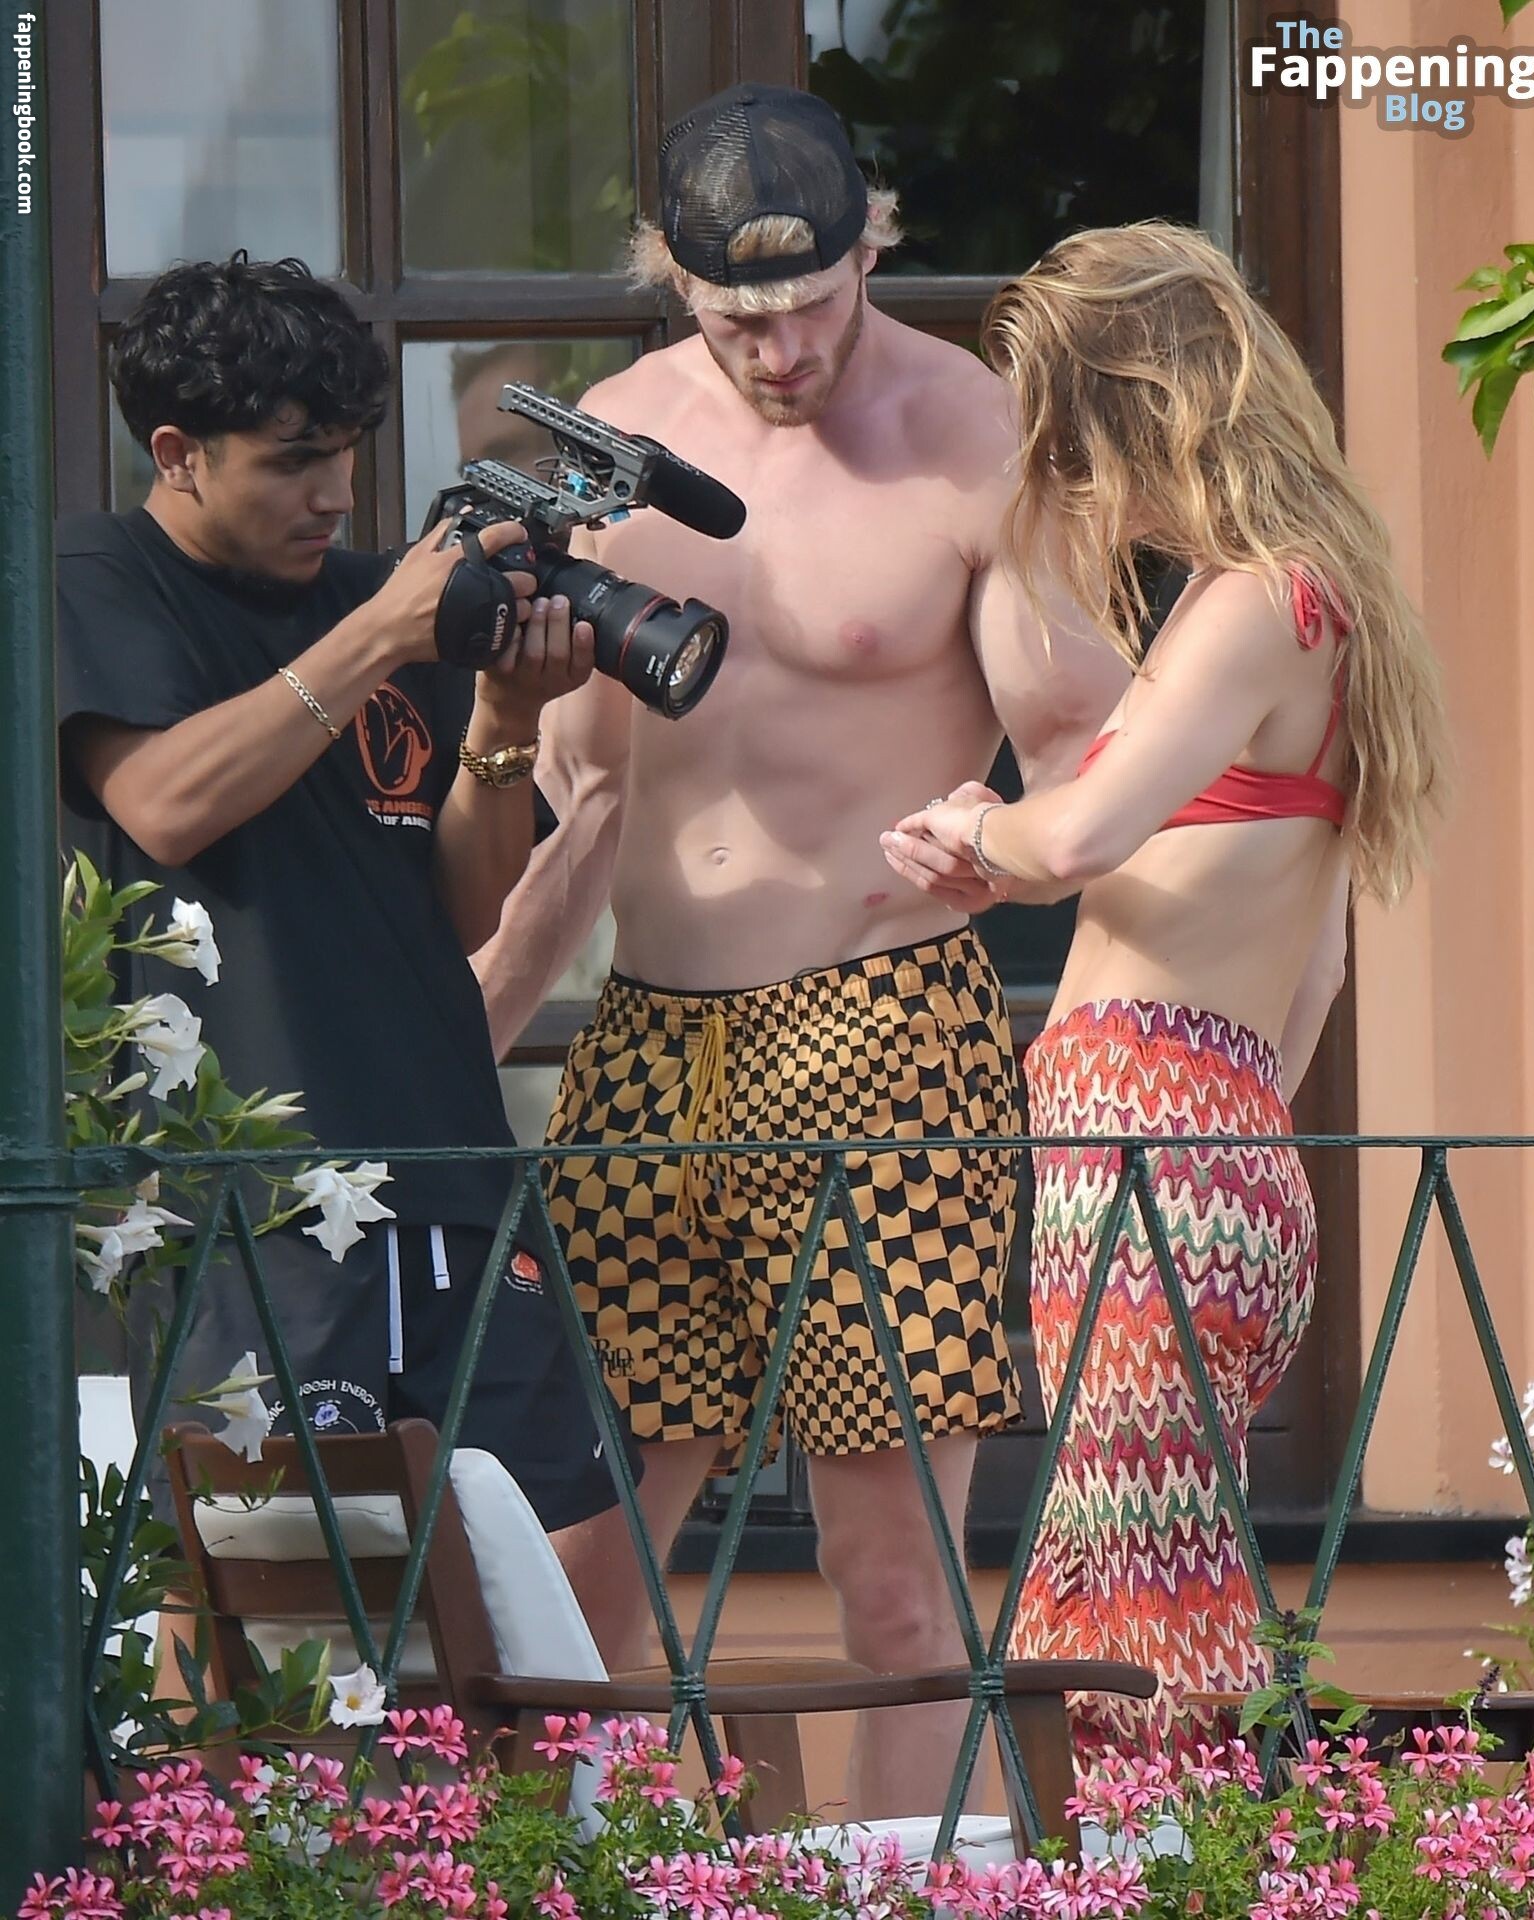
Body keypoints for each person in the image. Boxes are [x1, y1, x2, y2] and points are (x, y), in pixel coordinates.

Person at [474, 84, 1126, 1818]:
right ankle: (573, 1879)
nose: (781, 352)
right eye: (736, 319)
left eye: (813, 305)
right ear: (673, 285)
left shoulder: (970, 430)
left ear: (873, 247)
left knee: (891, 1576)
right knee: (577, 1569)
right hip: (646, 1031)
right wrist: (468, 1023)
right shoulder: (615, 434)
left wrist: (1003, 846)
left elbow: (1092, 757)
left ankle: (901, 1887)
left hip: (884, 1016)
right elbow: (574, 800)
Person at [882, 221, 1448, 1767]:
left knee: (1134, 1637)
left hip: (1147, 1148)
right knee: (1141, 1601)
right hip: (1220, 1141)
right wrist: (1224, 1124)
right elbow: (1316, 961)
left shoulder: (1253, 602)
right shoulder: (1321, 606)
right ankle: (1176, 1861)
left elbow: (1076, 837)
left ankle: (1184, 1868)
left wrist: (973, 833)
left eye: (1069, 447)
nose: (1070, 488)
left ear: (1140, 410)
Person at [56, 253, 635, 1583]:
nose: (333, 493)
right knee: (272, 1589)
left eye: (347, 453)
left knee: (541, 1559)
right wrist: (379, 634)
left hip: (446, 1164)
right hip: (246, 1197)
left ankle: (522, 1746)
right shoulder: (97, 573)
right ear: (176, 454)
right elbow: (164, 802)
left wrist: (503, 718)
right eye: (292, 461)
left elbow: (465, 909)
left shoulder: (377, 600)